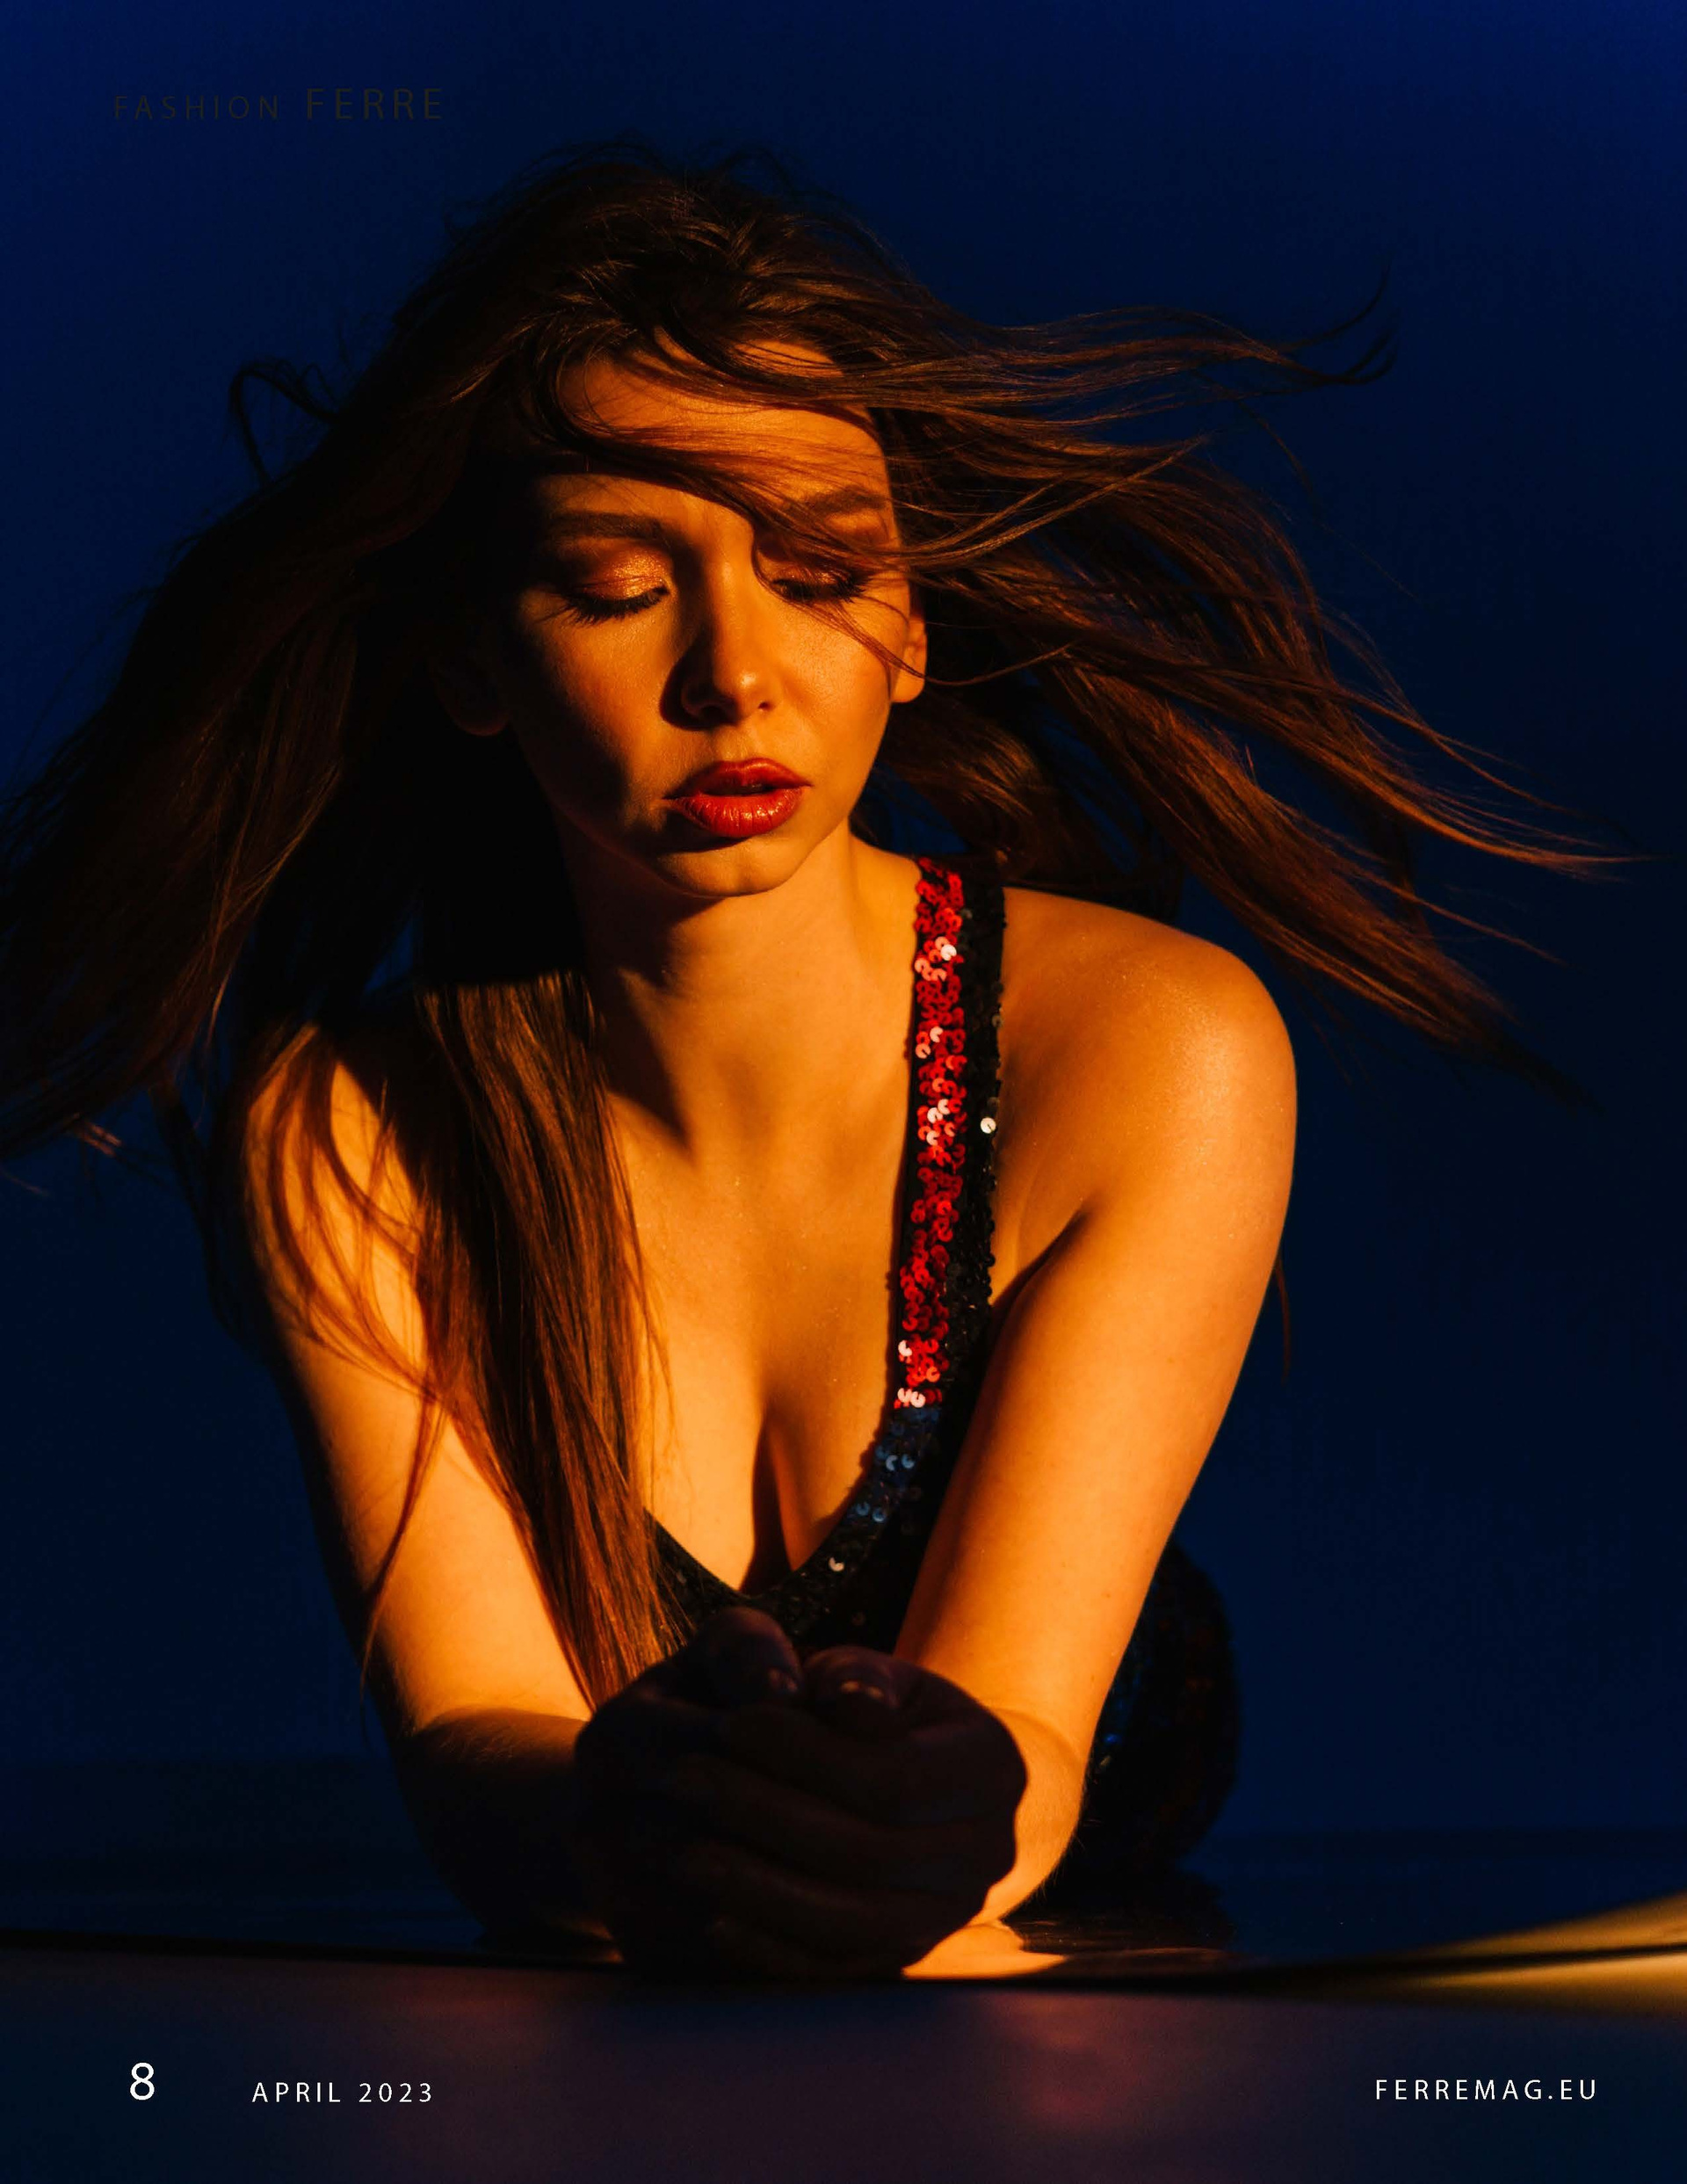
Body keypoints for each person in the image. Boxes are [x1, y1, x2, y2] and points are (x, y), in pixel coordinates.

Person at [0, 143, 1602, 1979]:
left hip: (1078, 2015)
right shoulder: (353, 1137)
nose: (736, 674)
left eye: (822, 569)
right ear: (469, 660)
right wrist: (613, 1812)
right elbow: (472, 1745)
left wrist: (948, 1804)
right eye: (616, 585)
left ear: (910, 624)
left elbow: (1030, 1738)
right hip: (617, 2036)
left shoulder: (1146, 1049)